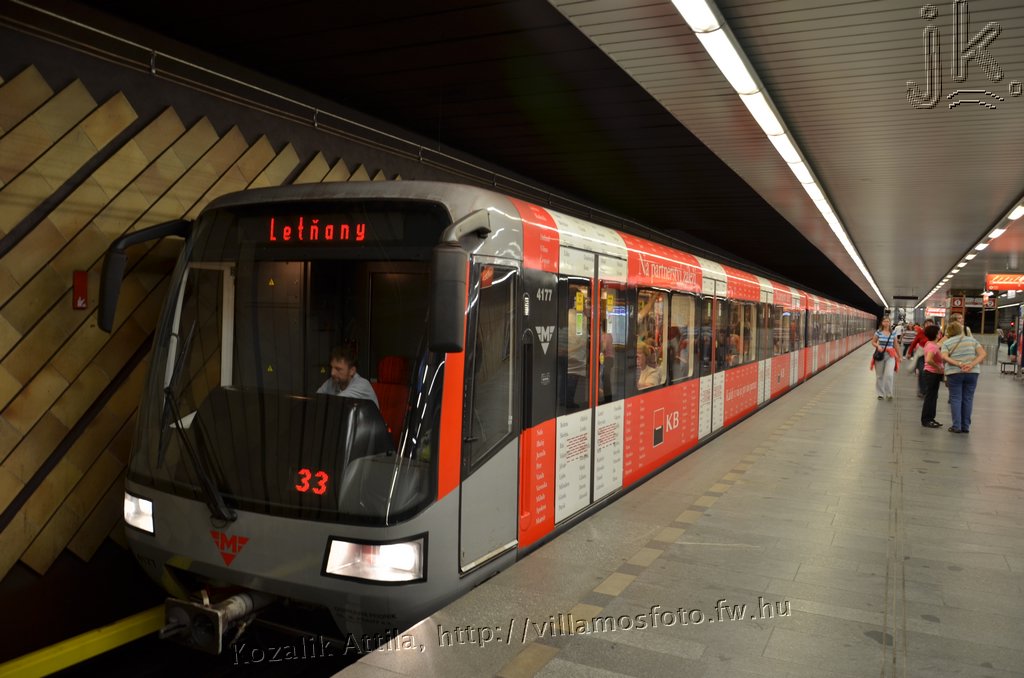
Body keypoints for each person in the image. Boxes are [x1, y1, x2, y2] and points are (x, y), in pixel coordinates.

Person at [941, 321, 986, 433]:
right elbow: (983, 354)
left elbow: (944, 357)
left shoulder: (947, 343)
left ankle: (956, 426)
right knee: (968, 398)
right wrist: (971, 364)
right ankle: (965, 426)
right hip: (972, 373)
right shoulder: (972, 340)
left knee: (956, 398)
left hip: (954, 373)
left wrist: (958, 364)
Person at [919, 325, 949, 428]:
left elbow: (940, 343)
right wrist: (938, 368)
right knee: (930, 397)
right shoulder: (932, 346)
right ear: (936, 334)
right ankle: (926, 420)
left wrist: (947, 335)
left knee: (933, 396)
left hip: (932, 374)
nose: (940, 333)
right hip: (932, 374)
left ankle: (930, 418)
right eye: (939, 332)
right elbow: (928, 360)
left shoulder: (930, 343)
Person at [870, 316, 900, 400]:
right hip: (880, 355)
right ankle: (880, 394)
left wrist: (899, 356)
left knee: (889, 375)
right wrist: (878, 346)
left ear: (890, 323)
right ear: (882, 323)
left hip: (890, 355)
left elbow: (896, 345)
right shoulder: (878, 332)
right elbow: (873, 342)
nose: (886, 323)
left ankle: (889, 394)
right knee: (879, 375)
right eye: (885, 321)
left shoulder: (893, 333)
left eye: (888, 321)